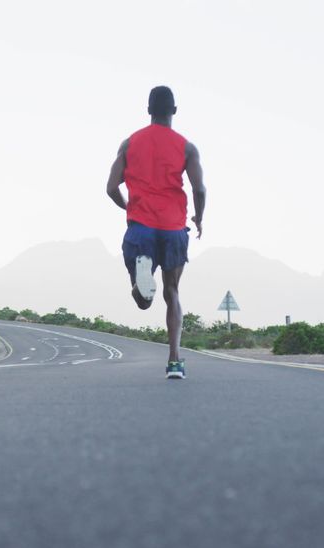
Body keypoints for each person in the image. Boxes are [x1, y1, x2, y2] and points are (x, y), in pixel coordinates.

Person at [105, 86, 207, 379]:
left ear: (148, 110)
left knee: (143, 301)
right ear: (174, 111)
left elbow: (111, 188)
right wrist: (199, 218)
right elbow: (199, 188)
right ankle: (174, 361)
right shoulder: (186, 147)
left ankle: (141, 283)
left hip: (141, 227)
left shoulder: (129, 143)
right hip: (174, 228)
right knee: (172, 292)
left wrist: (129, 209)